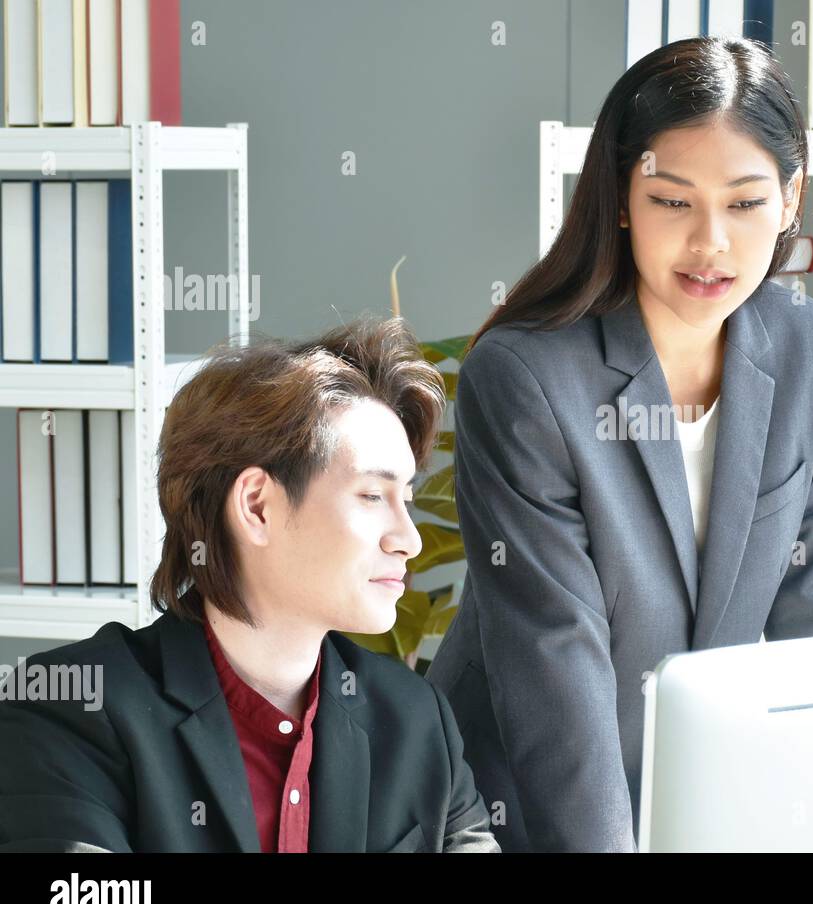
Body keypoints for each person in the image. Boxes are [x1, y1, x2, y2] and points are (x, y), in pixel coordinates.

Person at [427, 36, 813, 853]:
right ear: (624, 196)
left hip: (697, 803)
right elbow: (555, 666)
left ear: (792, 196)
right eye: (674, 201)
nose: (711, 244)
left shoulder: (811, 350)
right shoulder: (526, 376)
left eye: (745, 203)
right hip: (521, 810)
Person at [0, 316, 499, 853]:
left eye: (408, 498)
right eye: (373, 496)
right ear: (257, 505)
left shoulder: (416, 721)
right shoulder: (72, 706)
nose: (409, 539)